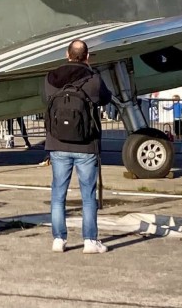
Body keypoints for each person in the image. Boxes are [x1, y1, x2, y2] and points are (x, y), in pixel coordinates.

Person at [44, 39, 112, 255]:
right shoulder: (93, 79)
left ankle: (58, 239)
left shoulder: (51, 78)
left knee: (58, 194)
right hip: (86, 145)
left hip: (57, 143)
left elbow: (46, 100)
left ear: (67, 54)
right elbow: (106, 98)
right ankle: (90, 241)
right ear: (87, 56)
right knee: (88, 195)